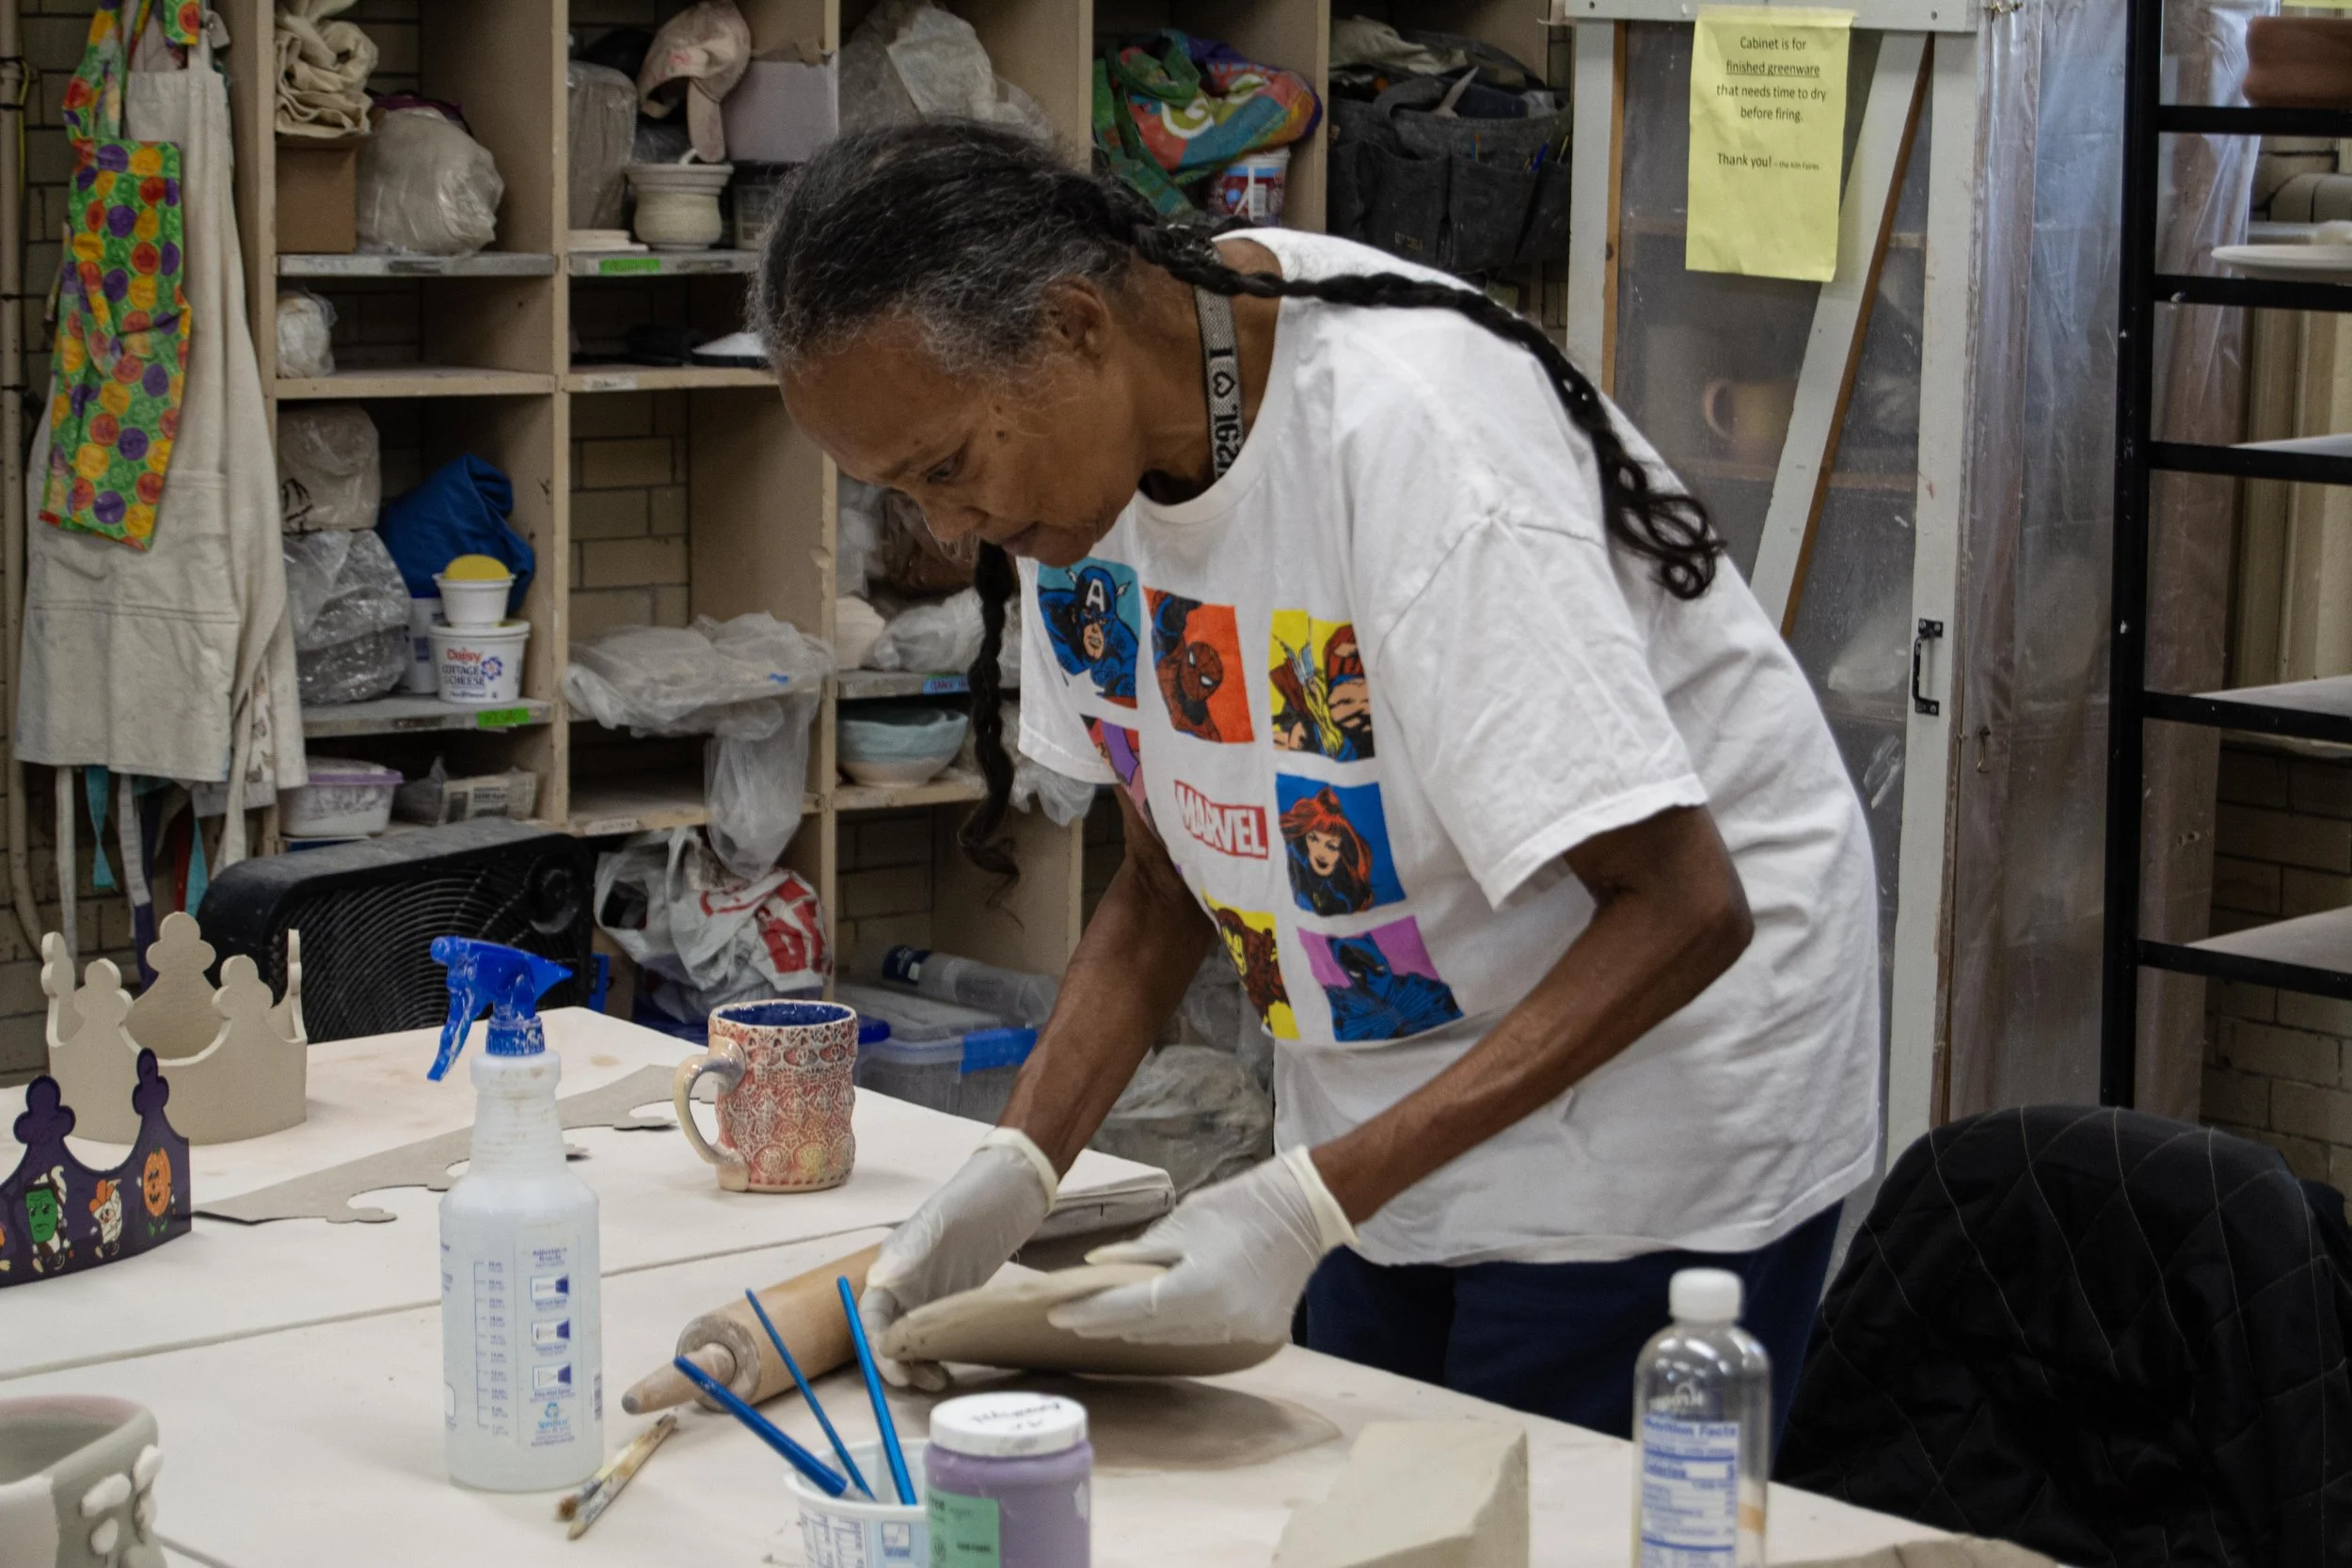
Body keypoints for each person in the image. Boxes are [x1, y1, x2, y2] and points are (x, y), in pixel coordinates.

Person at [755, 121, 1881, 1439]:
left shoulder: (1419, 446)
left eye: (945, 468)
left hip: (1650, 1111)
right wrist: (1014, 1165)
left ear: (1072, 330)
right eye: (902, 491)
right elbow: (1167, 878)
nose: (948, 527)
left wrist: (1305, 1203)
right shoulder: (1078, 498)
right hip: (1389, 1102)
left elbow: (1685, 905)